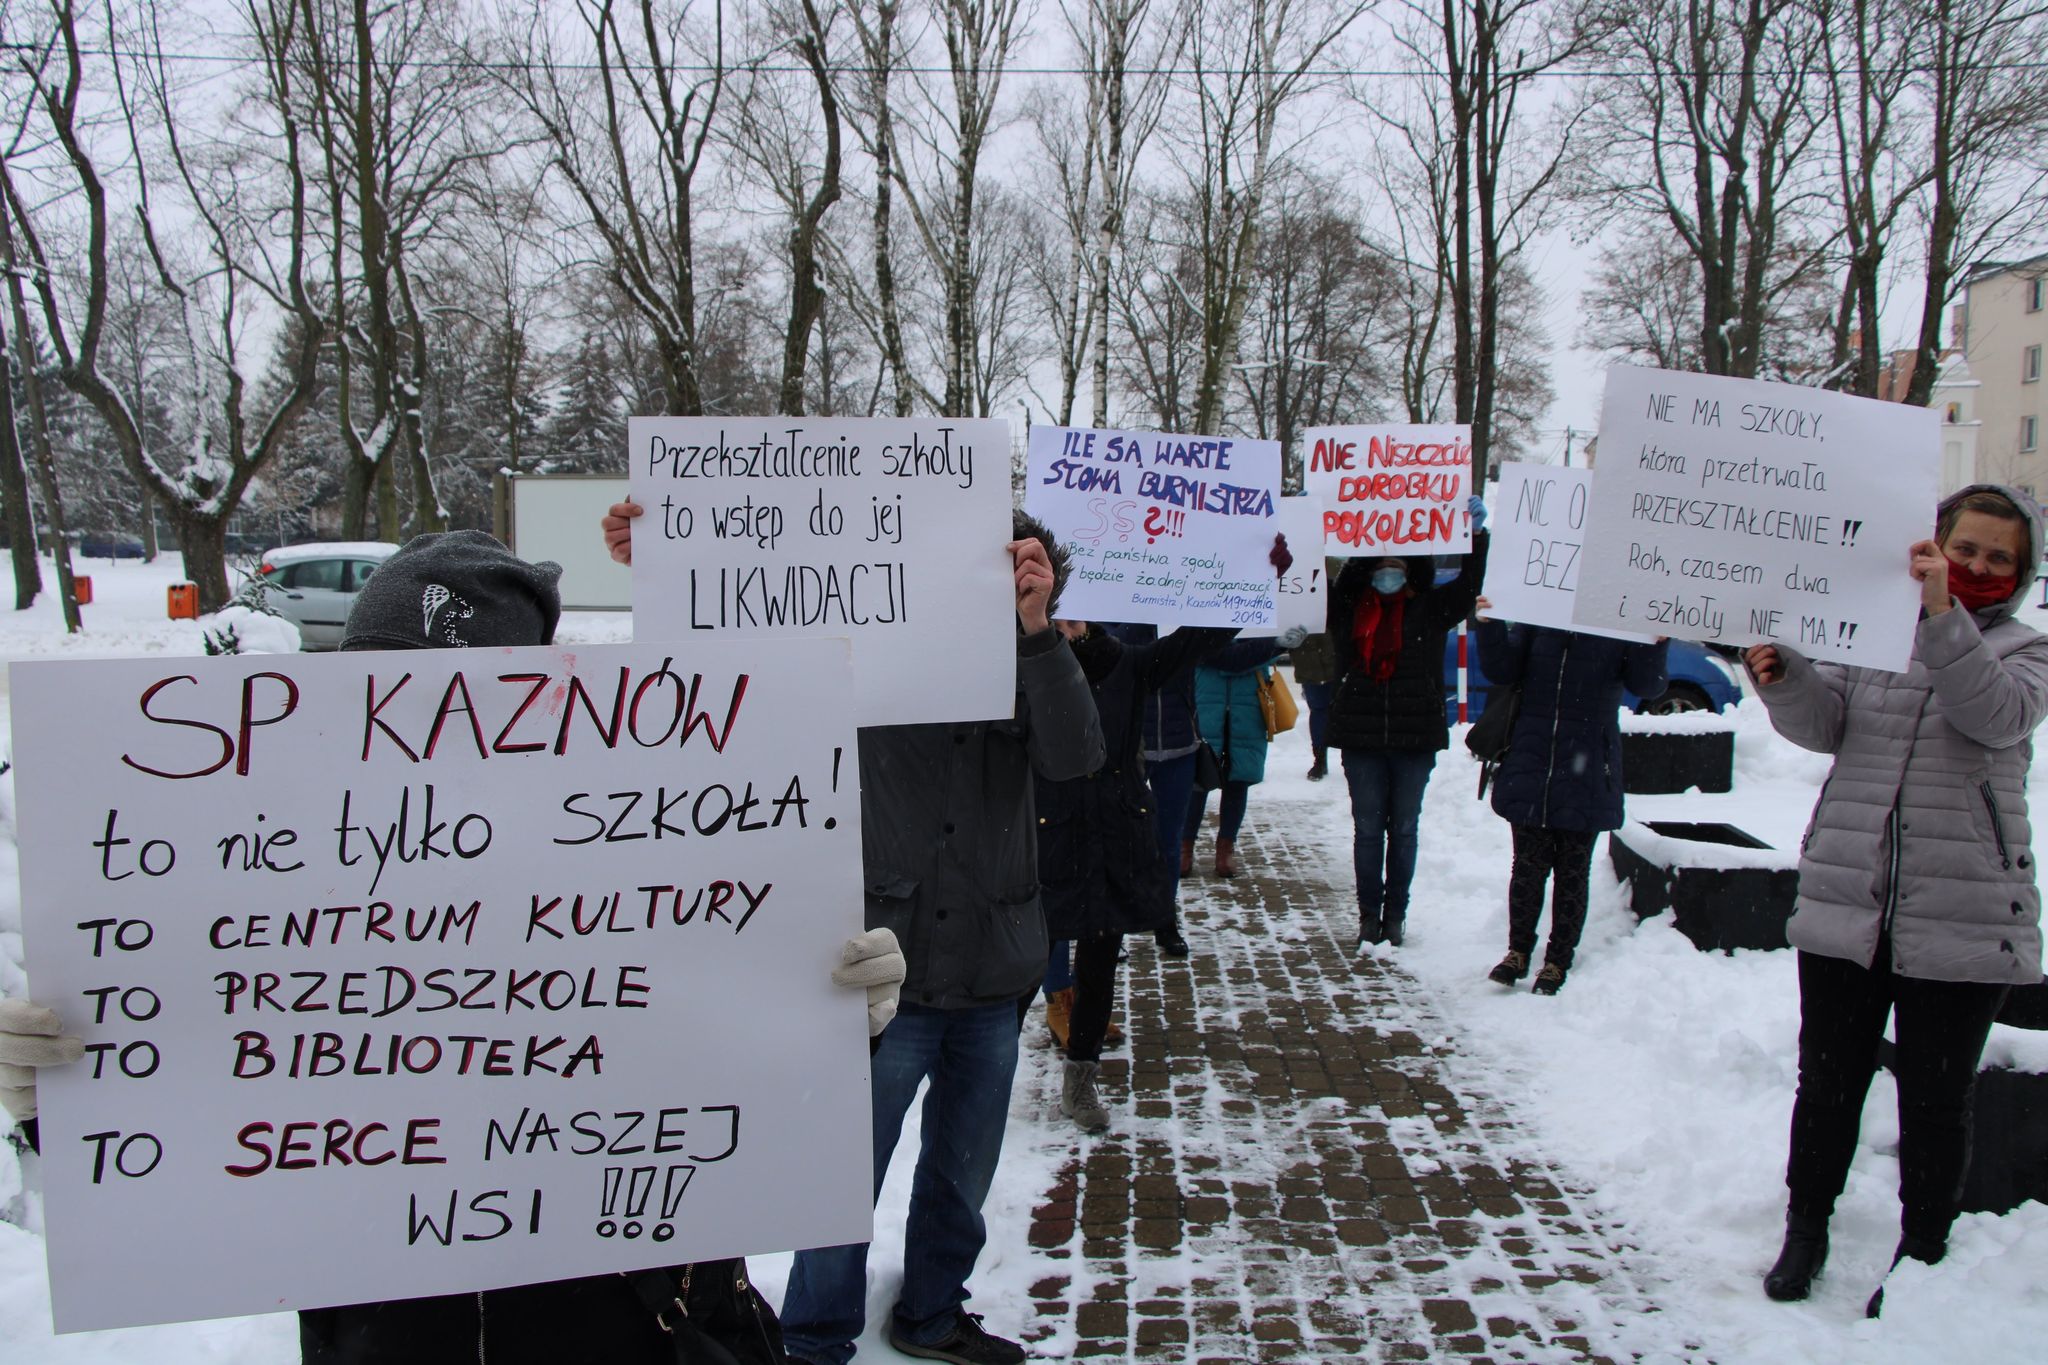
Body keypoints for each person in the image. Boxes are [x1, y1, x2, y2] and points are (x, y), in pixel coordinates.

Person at [0, 531, 909, 1365]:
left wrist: (832, 1022)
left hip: (624, 1332)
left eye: (448, 705)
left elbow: (744, 1091)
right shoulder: (273, 882)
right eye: (376, 697)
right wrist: (61, 1096)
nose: (410, 737)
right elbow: (190, 1127)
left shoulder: (649, 865)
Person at [603, 500, 1104, 1365]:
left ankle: (933, 1312)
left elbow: (1076, 755)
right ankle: (813, 1335)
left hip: (993, 969)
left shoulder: (1031, 658)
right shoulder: (862, 645)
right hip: (887, 971)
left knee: (962, 1174)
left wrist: (1036, 629)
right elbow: (746, 647)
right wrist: (665, 562)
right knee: (842, 1176)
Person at [1745, 485, 2048, 1317]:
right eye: (1968, 546)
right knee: (1828, 1082)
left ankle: (1923, 1252)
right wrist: (1789, 677)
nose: (1980, 564)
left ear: (2021, 572)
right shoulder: (1870, 631)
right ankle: (1806, 1227)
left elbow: (1993, 714)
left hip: (1965, 908)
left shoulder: (2030, 649)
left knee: (1936, 1094)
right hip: (1852, 892)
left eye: (1999, 556)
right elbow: (1827, 724)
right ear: (1937, 541)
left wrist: (1942, 617)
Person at [1039, 619, 1242, 1131]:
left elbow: (1199, 637)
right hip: (1047, 831)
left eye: (1075, 612)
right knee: (1023, 957)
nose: (1066, 623)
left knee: (1099, 960)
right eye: (1057, 611)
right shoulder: (1019, 662)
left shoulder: (1126, 662)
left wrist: (1255, 576)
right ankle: (988, 1073)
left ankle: (1080, 1078)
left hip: (1113, 832)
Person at [1473, 599, 1669, 995]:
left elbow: (1648, 686)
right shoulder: (1540, 610)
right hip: (1533, 759)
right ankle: (1517, 953)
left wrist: (1656, 641)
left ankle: (1558, 959)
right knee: (1527, 868)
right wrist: (1489, 625)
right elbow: (1501, 670)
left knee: (1572, 872)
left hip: (1589, 765)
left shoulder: (1619, 618)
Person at [1326, 497, 1489, 947]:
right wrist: (1299, 537)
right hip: (1361, 737)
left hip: (1414, 738)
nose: (1388, 574)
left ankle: (1395, 914)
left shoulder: (1430, 610)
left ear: (1411, 570)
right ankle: (1368, 915)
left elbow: (1471, 581)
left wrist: (1475, 536)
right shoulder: (1349, 608)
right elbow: (1310, 586)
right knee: (1367, 830)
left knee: (1403, 828)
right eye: (1380, 566)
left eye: (1397, 566)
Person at [1181, 636, 1298, 878]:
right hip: (1208, 695)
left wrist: (1276, 644)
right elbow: (1204, 650)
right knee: (1197, 778)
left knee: (1238, 777)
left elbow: (1210, 652)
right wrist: (1262, 648)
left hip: (1247, 699)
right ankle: (1185, 846)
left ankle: (1225, 848)